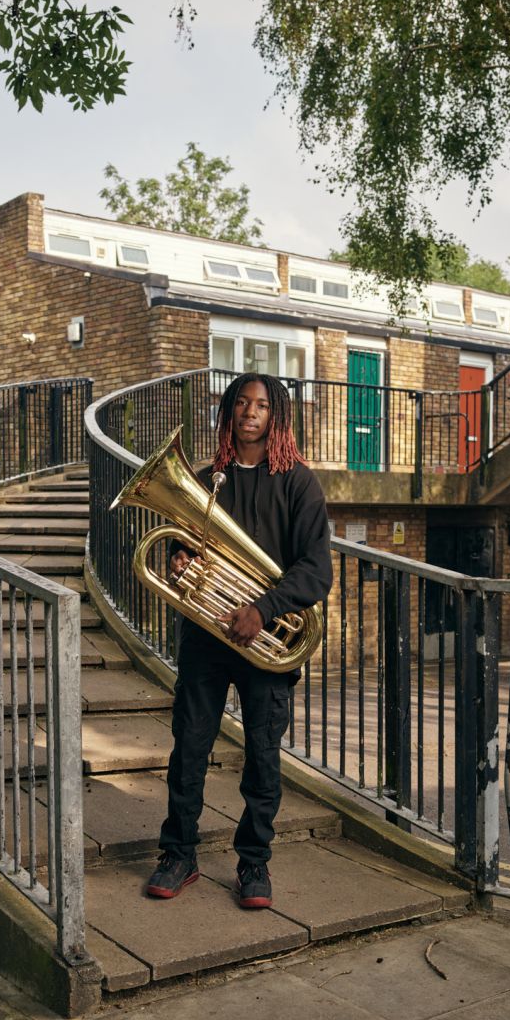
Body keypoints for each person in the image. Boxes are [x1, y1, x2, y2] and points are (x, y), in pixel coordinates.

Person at [146, 373, 333, 908]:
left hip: (266, 639)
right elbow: (182, 551)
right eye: (242, 404)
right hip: (206, 638)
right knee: (190, 749)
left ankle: (254, 864)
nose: (251, 412)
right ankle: (178, 855)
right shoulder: (206, 481)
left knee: (262, 757)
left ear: (277, 417)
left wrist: (265, 608)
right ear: (228, 412)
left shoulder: (298, 483)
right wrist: (178, 563)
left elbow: (317, 570)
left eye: (263, 405)